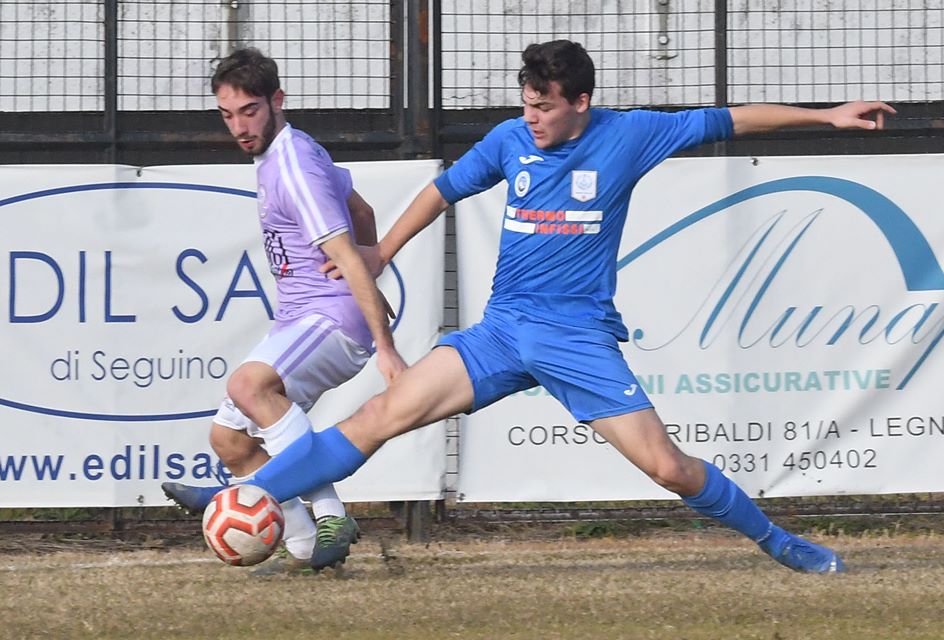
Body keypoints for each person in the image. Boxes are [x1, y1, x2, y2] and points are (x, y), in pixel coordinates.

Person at [167, 40, 896, 573]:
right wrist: (383, 252)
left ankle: (779, 541)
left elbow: (729, 119)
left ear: (580, 103)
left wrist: (827, 116)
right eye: (527, 104)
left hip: (577, 338)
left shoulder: (631, 134)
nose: (533, 119)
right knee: (375, 418)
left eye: (545, 108)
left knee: (669, 470)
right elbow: (442, 191)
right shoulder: (510, 140)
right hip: (501, 331)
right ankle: (246, 489)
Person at [162, 47, 406, 575]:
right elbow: (361, 212)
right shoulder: (290, 152)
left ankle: (331, 514)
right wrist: (371, 270)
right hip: (304, 317)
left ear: (277, 100)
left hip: (331, 320)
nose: (239, 127)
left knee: (249, 386)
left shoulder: (292, 165)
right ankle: (302, 551)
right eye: (228, 115)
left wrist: (381, 338)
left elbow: (343, 247)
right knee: (229, 440)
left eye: (249, 111)